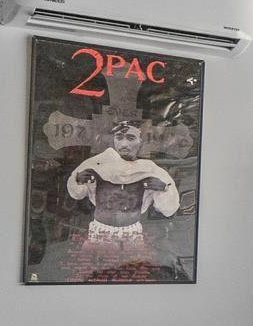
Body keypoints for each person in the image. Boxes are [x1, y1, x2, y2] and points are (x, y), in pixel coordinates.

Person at [64, 119, 179, 279]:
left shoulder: (151, 170)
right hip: (100, 234)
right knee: (94, 278)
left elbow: (169, 209)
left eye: (130, 138)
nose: (124, 143)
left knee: (131, 278)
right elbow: (76, 193)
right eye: (119, 137)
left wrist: (164, 188)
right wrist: (78, 179)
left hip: (131, 235)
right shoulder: (96, 164)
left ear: (140, 142)